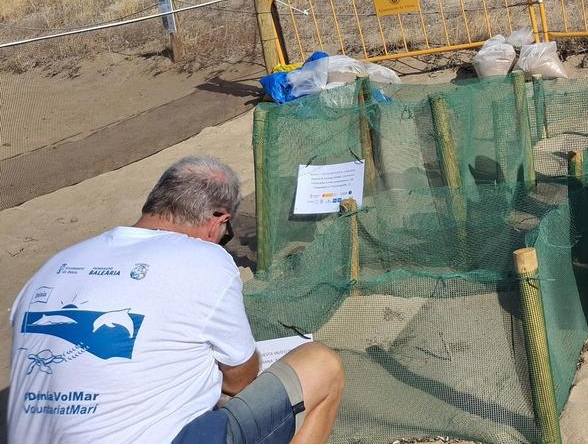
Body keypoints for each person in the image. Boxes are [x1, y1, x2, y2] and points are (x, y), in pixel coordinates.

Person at [7, 155, 345, 443]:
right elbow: (240, 380)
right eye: (225, 235)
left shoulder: (57, 263)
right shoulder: (203, 258)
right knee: (321, 364)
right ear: (219, 220)